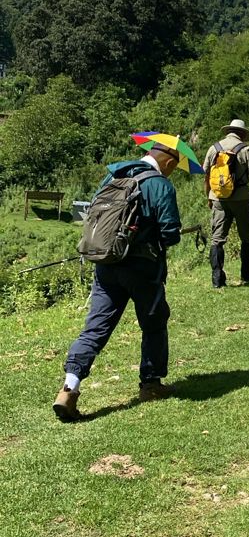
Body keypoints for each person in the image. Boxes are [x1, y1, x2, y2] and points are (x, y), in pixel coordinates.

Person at [53, 141, 182, 421]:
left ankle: (69, 387)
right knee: (154, 323)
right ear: (168, 162)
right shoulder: (160, 184)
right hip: (143, 268)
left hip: (106, 263)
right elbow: (170, 231)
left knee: (95, 328)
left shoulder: (114, 176)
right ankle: (151, 384)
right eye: (175, 167)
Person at [203, 118, 249, 288]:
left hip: (218, 197)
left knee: (217, 238)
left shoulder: (214, 148)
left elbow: (207, 176)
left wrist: (209, 196)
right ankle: (247, 272)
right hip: (241, 198)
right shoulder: (246, 149)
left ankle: (217, 277)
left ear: (229, 131)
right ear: (242, 134)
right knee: (246, 235)